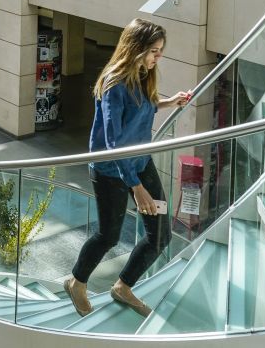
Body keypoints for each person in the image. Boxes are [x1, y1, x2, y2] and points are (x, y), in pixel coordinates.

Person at [64, 18, 190, 318]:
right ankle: (76, 281)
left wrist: (169, 102)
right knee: (109, 235)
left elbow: (143, 107)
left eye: (160, 51)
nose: (158, 58)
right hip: (112, 171)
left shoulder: (143, 75)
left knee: (160, 235)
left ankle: (123, 286)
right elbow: (113, 141)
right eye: (154, 51)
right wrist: (137, 187)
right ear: (136, 48)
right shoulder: (114, 83)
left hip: (140, 162)